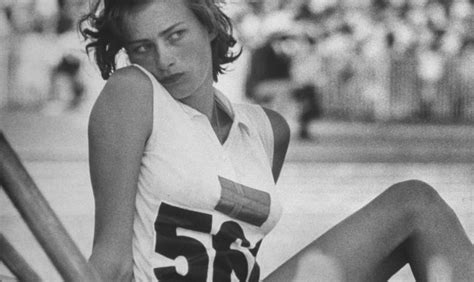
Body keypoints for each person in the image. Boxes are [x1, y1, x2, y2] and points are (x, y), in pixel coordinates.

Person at [79, 1, 473, 281]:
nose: (163, 59)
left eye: (175, 35)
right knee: (413, 201)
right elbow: (113, 262)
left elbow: (241, 249)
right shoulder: (132, 93)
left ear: (209, 26)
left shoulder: (268, 130)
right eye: (142, 47)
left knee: (417, 205)